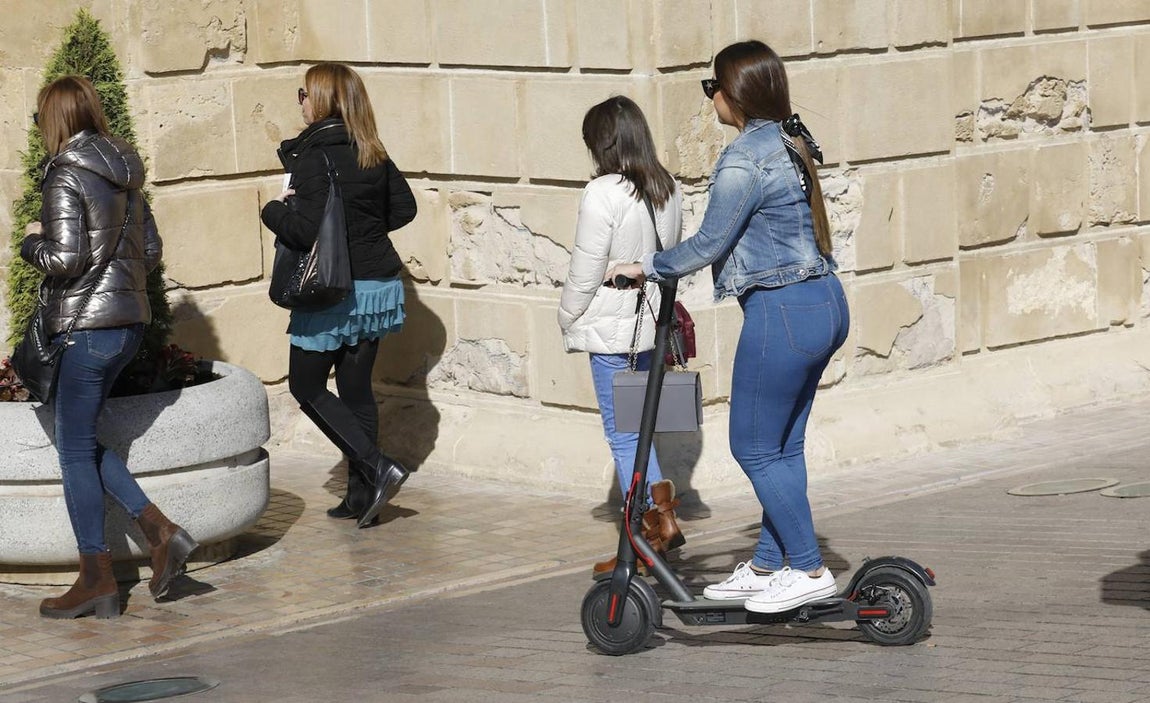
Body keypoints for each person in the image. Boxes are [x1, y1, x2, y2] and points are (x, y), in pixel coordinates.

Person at [606, 41, 849, 613]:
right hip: (824, 300)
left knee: (753, 447)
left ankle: (808, 568)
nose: (710, 96)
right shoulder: (789, 140)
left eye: (711, 86)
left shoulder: (744, 158)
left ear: (734, 93)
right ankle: (769, 563)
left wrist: (644, 267)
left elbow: (711, 242)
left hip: (782, 310)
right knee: (782, 447)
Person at [20, 76, 196, 619]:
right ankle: (159, 531)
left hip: (86, 330)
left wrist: (30, 240)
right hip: (126, 327)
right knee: (81, 440)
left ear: (56, 119)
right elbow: (151, 251)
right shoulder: (126, 170)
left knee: (74, 449)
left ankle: (97, 579)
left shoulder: (65, 173)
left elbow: (65, 259)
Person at [261, 62, 417, 529]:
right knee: (355, 390)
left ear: (324, 101)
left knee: (305, 386)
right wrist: (361, 227)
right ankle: (362, 495)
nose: (300, 102)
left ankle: (378, 466)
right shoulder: (371, 149)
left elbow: (304, 231)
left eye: (304, 94)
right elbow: (404, 209)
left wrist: (272, 212)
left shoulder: (314, 157)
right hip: (376, 287)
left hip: (334, 290)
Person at [558, 96, 687, 575]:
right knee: (641, 430)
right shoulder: (667, 185)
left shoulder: (602, 192)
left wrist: (567, 316)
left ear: (603, 142)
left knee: (623, 435)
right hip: (652, 326)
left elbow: (585, 268)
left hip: (614, 331)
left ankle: (653, 528)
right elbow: (670, 256)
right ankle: (657, 525)